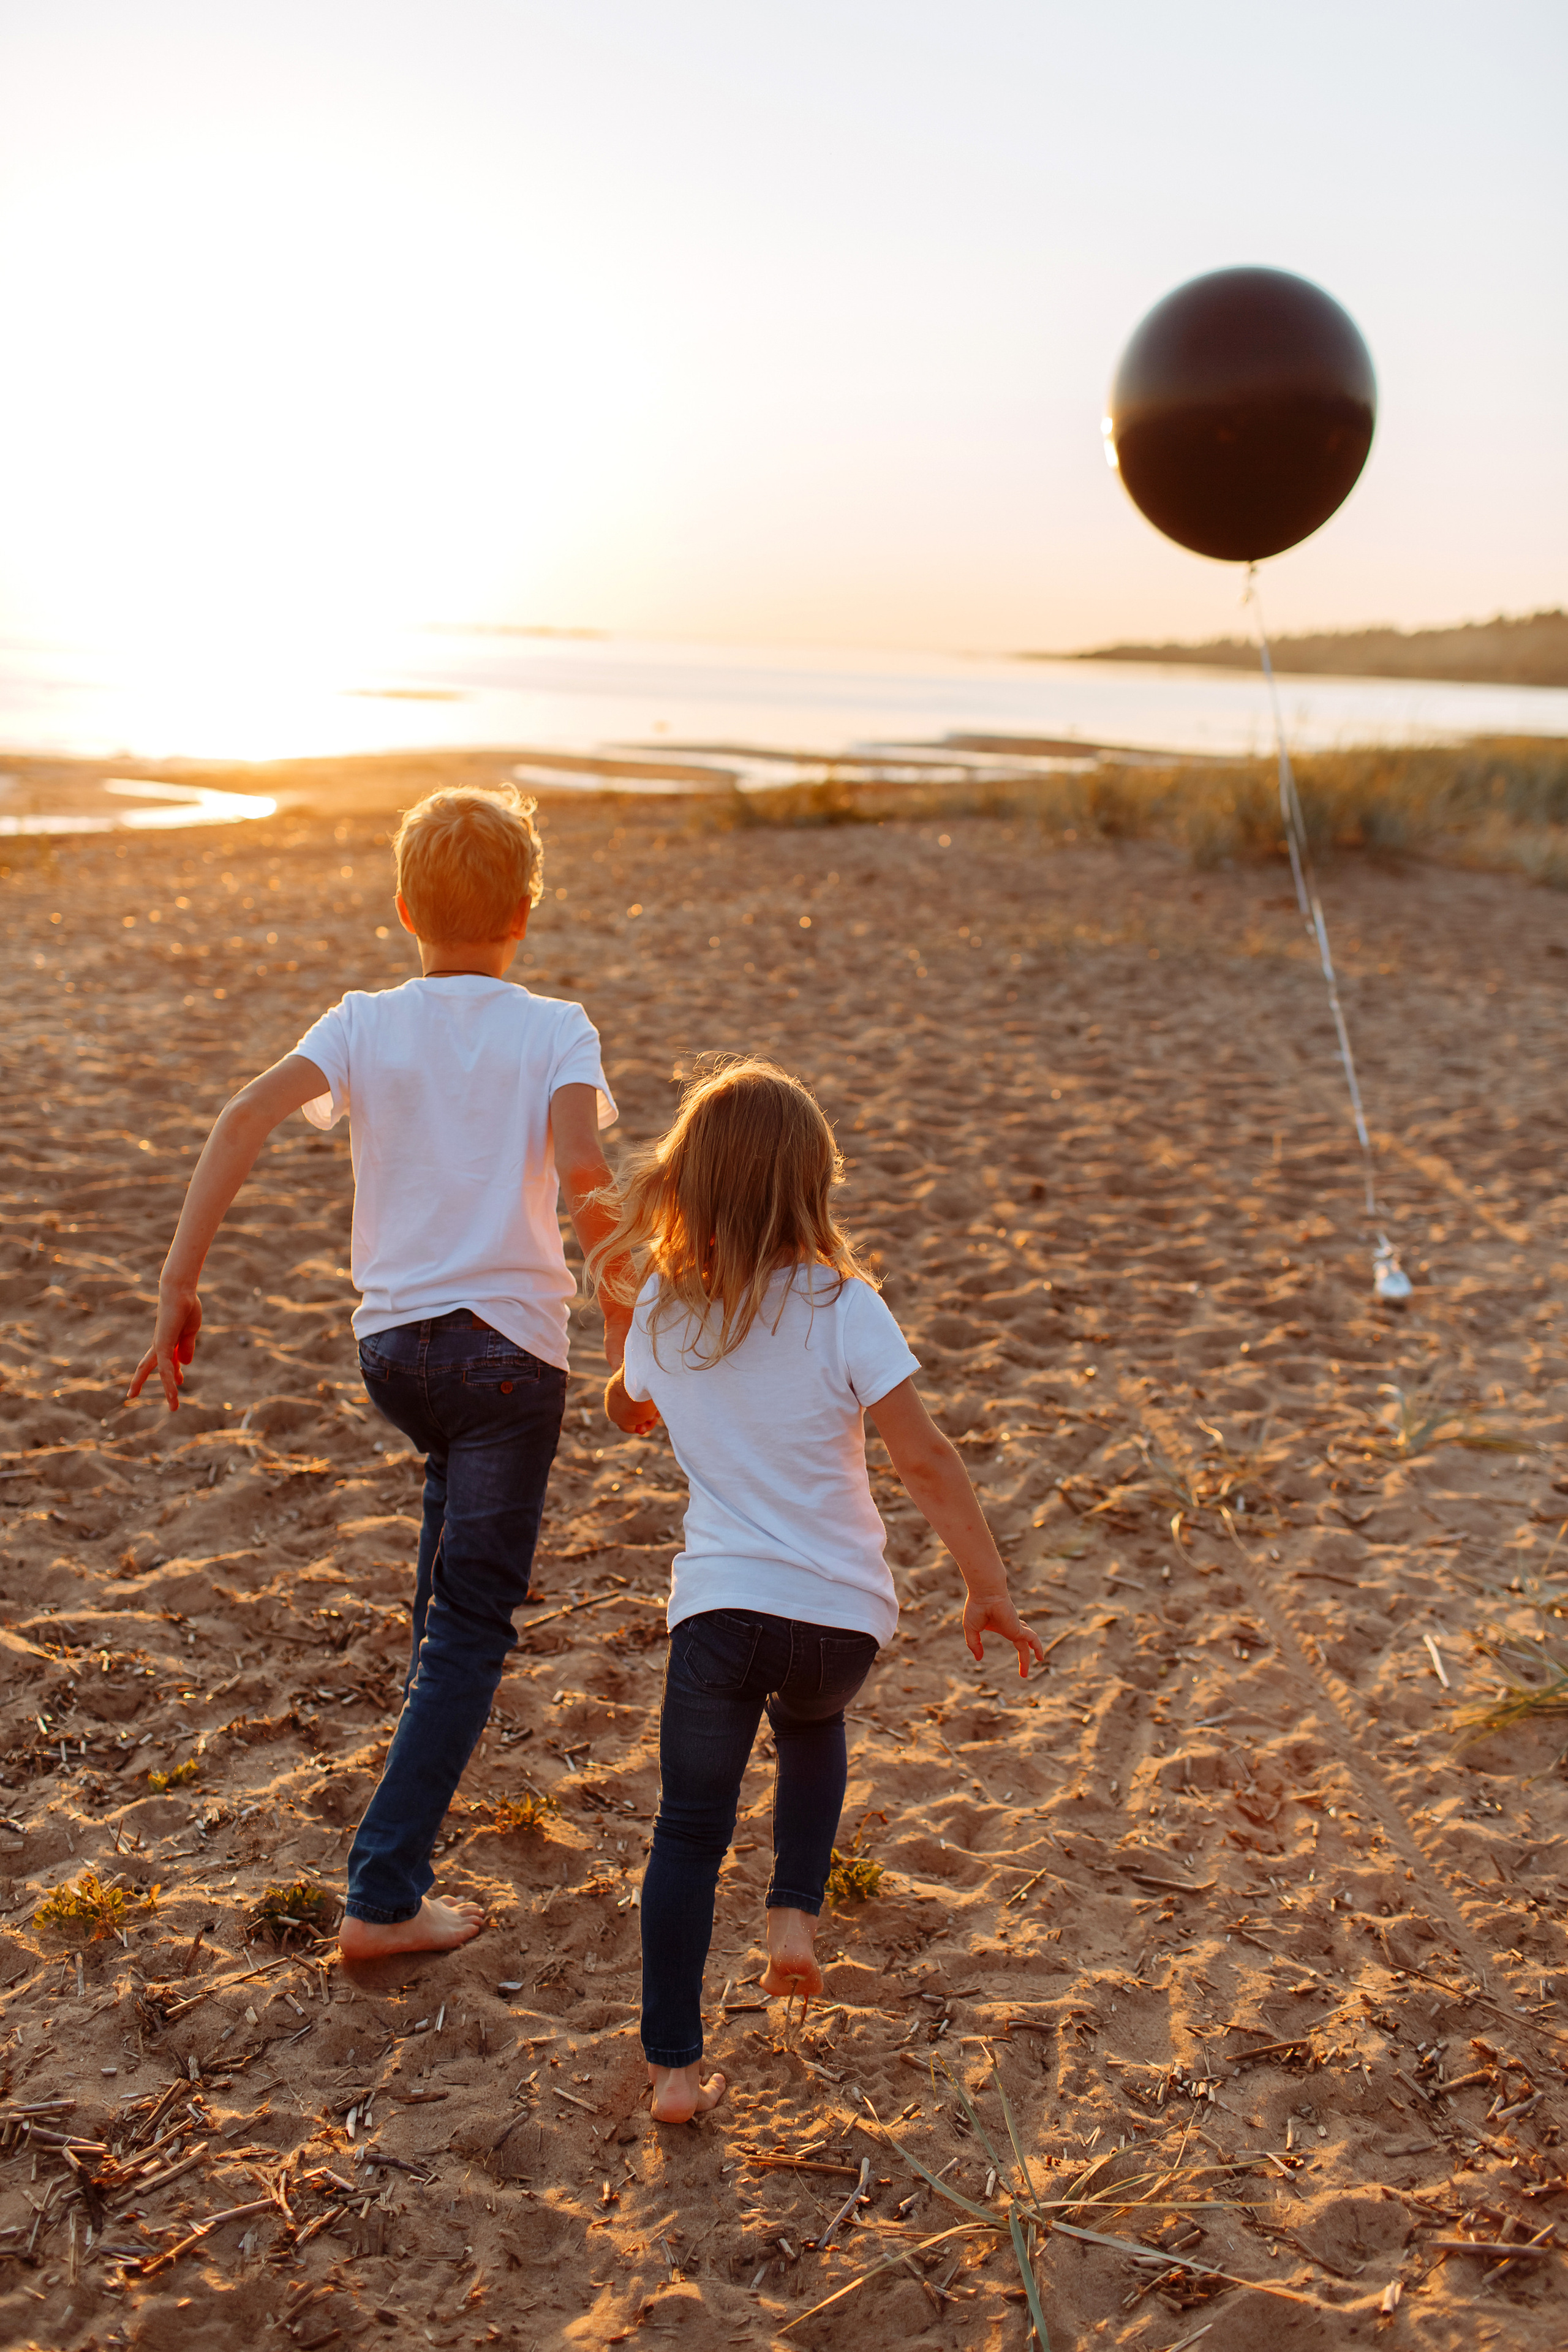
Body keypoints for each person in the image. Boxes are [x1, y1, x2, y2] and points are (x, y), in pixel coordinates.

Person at [127, 786, 622, 1959]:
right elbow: (586, 1171)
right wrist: (628, 1324)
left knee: (446, 1589)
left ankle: (410, 1830)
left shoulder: (360, 1019)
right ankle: (384, 1897)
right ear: (527, 910)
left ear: (405, 908)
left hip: (395, 1353)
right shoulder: (557, 1026)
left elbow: (244, 1116)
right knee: (470, 1623)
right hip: (508, 1359)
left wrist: (177, 1282)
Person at [590, 1058, 1044, 2124]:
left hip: (718, 1616)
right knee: (810, 1724)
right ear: (814, 1186)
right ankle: (793, 1910)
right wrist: (986, 1585)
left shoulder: (664, 1305)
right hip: (840, 1621)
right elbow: (925, 1458)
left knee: (689, 1837)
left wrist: (635, 1375)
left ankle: (674, 2071)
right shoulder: (848, 1307)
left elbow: (624, 1408)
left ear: (688, 1183)